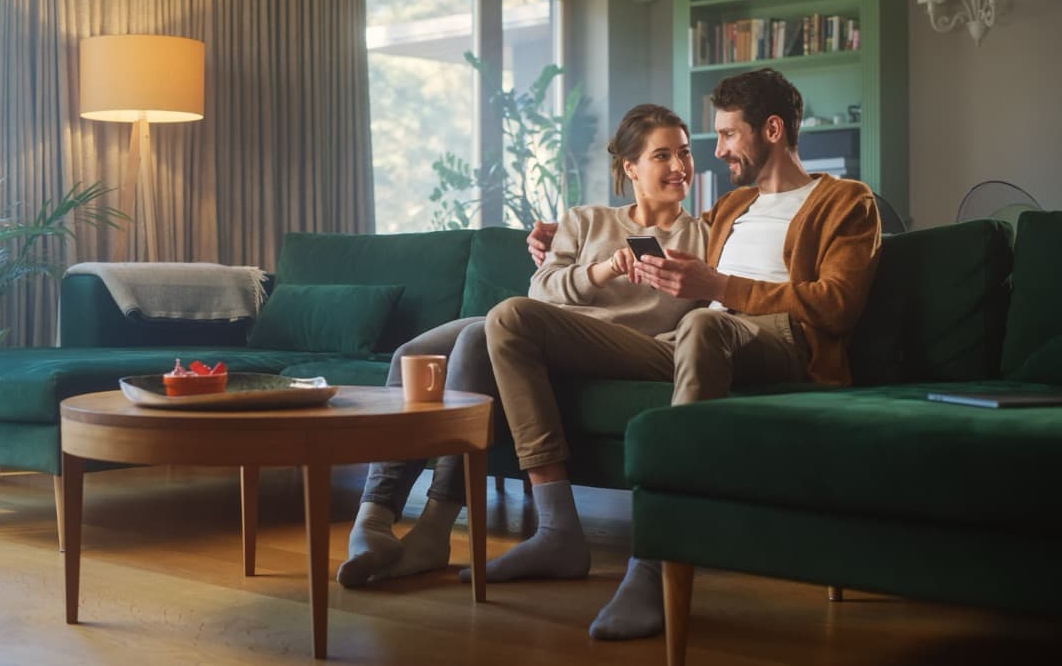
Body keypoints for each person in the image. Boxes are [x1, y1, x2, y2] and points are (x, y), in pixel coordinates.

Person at [495, 67, 882, 640]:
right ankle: (556, 530)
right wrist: (553, 237)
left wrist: (719, 289)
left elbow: (836, 304)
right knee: (511, 317)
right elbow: (660, 227)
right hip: (688, 341)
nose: (716, 149)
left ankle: (653, 559)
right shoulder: (728, 209)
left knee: (704, 323)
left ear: (772, 129)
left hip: (781, 340)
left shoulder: (846, 201)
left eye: (727, 135)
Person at [337, 104, 710, 588]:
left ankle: (434, 528)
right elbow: (543, 289)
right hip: (547, 325)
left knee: (490, 328)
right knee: (414, 354)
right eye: (663, 155)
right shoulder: (585, 220)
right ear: (630, 167)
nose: (680, 166)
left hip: (617, 344)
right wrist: (604, 270)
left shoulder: (703, 236)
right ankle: (374, 517)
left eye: (684, 153)